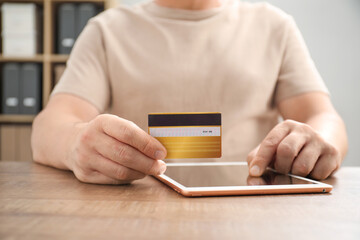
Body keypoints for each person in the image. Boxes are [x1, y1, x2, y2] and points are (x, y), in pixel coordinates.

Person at [31, 0, 348, 185]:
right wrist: (76, 144)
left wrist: (319, 143)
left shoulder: (275, 26)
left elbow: (321, 116)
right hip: (134, 217)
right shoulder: (106, 30)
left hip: (252, 216)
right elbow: (51, 125)